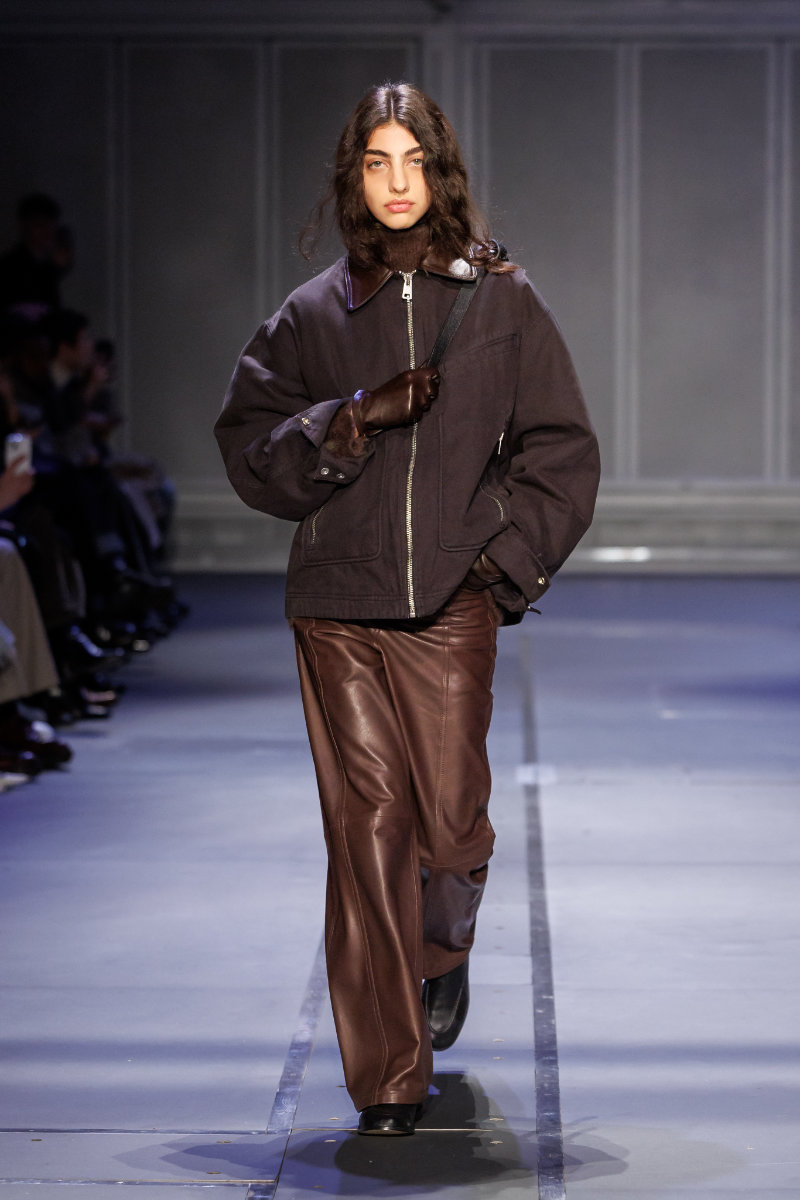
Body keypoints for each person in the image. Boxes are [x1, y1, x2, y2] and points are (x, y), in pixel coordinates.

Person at [215, 81, 601, 1136]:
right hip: (336, 603)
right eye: (377, 162)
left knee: (449, 823)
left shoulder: (501, 300)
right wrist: (347, 420)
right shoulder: (312, 315)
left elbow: (561, 448)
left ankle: (441, 949)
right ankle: (387, 1079)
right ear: (353, 175)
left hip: (448, 602)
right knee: (369, 831)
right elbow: (247, 448)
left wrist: (497, 564)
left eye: (413, 162)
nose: (396, 183)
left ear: (441, 173)